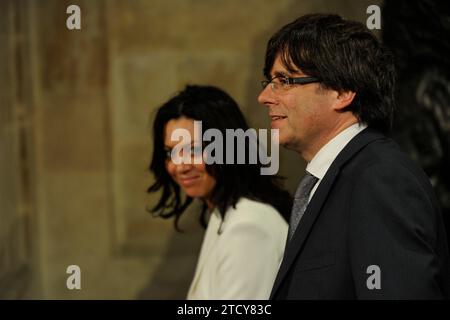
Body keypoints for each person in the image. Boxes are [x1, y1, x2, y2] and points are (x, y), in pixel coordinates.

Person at [257, 13, 450, 299]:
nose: (265, 97)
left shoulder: (380, 178)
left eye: (284, 80)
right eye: (269, 81)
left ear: (343, 92)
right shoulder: (333, 178)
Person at [148, 85, 292, 299]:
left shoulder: (248, 226)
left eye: (194, 150)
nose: (180, 166)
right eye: (171, 152)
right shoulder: (224, 213)